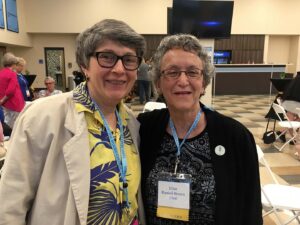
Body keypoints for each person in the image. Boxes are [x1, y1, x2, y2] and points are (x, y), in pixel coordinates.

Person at [0, 19, 146, 225]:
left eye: (129, 59)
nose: (120, 69)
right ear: (84, 65)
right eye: (107, 57)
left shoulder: (130, 122)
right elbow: (9, 206)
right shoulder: (42, 117)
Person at [137, 34, 262, 225]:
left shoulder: (236, 136)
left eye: (193, 72)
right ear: (158, 83)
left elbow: (250, 209)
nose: (183, 80)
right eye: (172, 72)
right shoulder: (144, 128)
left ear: (203, 83)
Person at [0, 52, 25, 128]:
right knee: (17, 126)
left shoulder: (1, 73)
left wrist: (2, 101)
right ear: (13, 64)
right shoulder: (12, 74)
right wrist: (2, 100)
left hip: (5, 105)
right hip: (15, 104)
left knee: (8, 123)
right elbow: (10, 91)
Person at [281, 75, 300, 158]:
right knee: (295, 120)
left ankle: (294, 139)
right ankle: (297, 144)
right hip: (296, 103)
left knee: (291, 120)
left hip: (287, 102)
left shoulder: (296, 78)